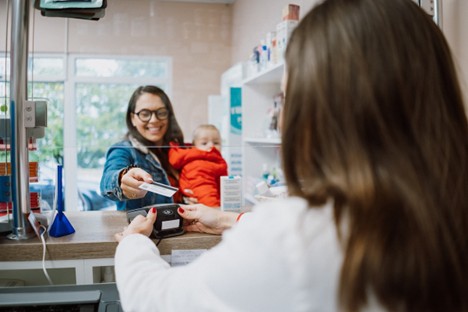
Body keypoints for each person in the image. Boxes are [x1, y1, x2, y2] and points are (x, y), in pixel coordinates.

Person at [114, 0, 468, 311]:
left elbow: (158, 301)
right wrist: (228, 220)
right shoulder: (444, 213)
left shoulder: (296, 237)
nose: (282, 116)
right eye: (144, 113)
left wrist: (132, 245)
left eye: (286, 98)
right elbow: (114, 173)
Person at [100, 85, 185, 210]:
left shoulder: (179, 150)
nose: (154, 120)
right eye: (145, 114)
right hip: (143, 229)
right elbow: (108, 179)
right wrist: (121, 178)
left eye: (161, 113)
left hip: (183, 228)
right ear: (132, 118)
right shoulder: (124, 150)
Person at [168, 124, 228, 207]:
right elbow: (203, 188)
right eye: (204, 143)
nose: (211, 145)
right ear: (194, 146)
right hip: (207, 207)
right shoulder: (199, 164)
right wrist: (214, 209)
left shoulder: (213, 161)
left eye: (216, 142)